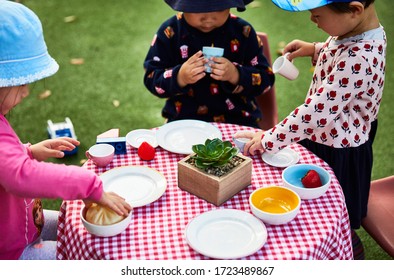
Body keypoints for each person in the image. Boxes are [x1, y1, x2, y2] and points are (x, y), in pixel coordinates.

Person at [235, 0, 386, 259]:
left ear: (355, 9)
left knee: (333, 207)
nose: (313, 21)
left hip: (338, 147)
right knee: (315, 198)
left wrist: (269, 138)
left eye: (317, 16)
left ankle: (345, 244)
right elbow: (344, 51)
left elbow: (315, 113)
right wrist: (315, 49)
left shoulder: (360, 56)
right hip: (332, 135)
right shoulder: (362, 33)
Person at [0, 0, 132, 260]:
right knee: (80, 259)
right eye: (20, 82)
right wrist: (89, 185)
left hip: (21, 227)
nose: (26, 90)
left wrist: (29, 152)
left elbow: (8, 162)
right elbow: (19, 176)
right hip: (12, 252)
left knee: (71, 227)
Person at [143, 0, 275, 128]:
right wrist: (180, 77)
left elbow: (266, 79)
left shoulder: (243, 32)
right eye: (197, 8)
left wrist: (235, 75)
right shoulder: (170, 32)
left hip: (238, 120)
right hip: (183, 122)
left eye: (219, 8)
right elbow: (152, 78)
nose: (208, 18)